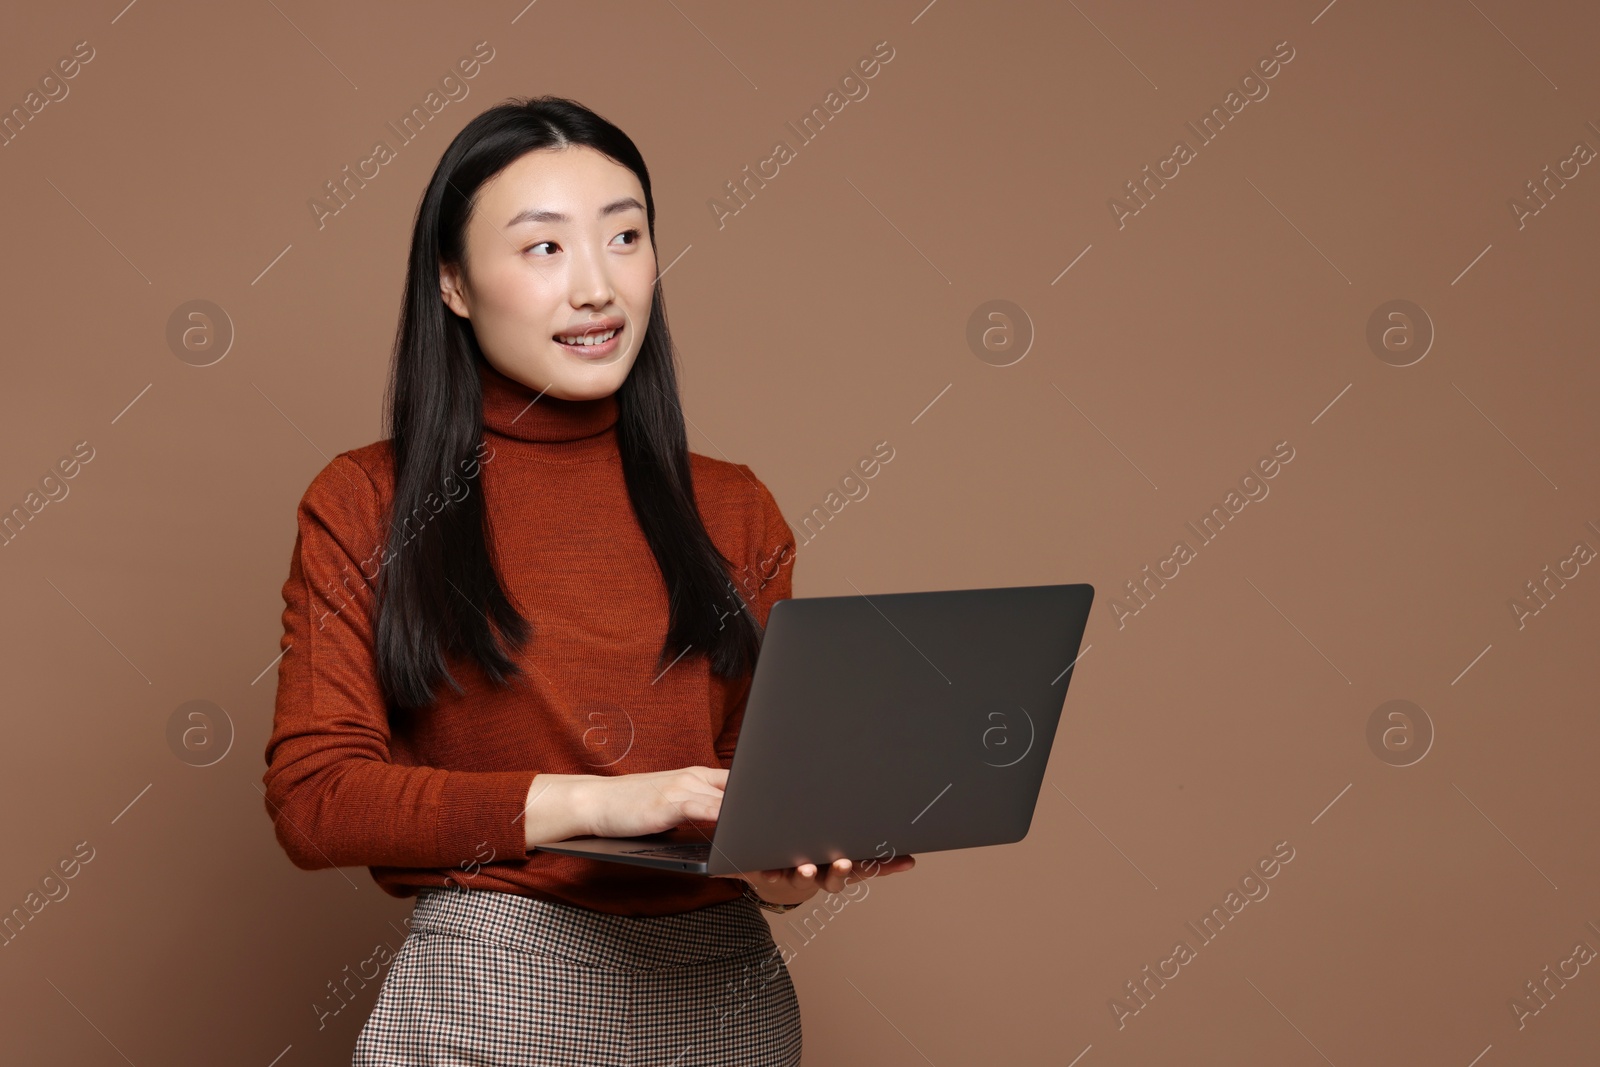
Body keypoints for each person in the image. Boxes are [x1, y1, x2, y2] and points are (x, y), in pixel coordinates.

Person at [260, 95, 915, 1065]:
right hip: (497, 991)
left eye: (625, 236)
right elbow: (318, 795)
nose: (598, 287)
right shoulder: (367, 500)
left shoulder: (734, 507)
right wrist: (605, 801)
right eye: (544, 248)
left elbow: (737, 795)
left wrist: (795, 859)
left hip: (726, 999)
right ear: (451, 282)